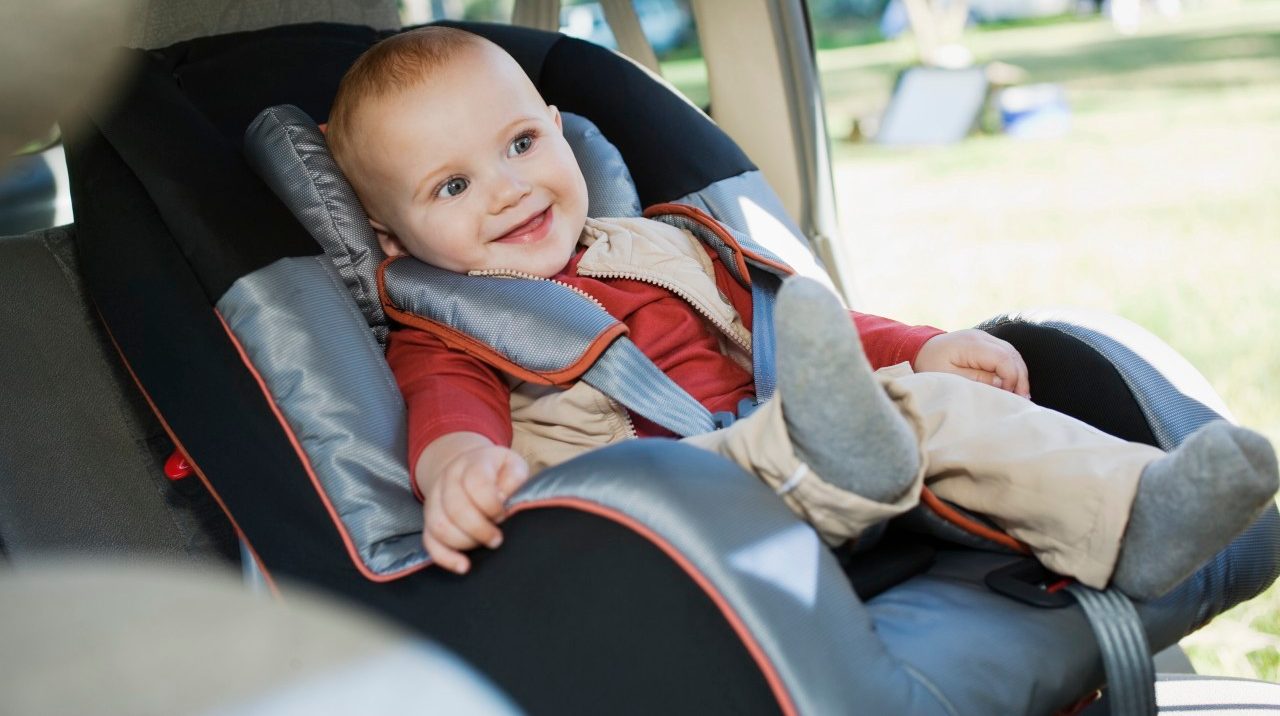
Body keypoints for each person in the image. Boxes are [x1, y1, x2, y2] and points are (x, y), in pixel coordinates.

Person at [325, 26, 1278, 598]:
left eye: (522, 142)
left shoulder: (667, 243)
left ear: (560, 130)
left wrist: (921, 348)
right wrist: (459, 468)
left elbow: (803, 331)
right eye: (451, 184)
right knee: (800, 436)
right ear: (393, 236)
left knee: (935, 406)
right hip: (658, 505)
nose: (507, 189)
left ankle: (1142, 509)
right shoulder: (445, 327)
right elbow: (449, 417)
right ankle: (843, 453)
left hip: (800, 427)